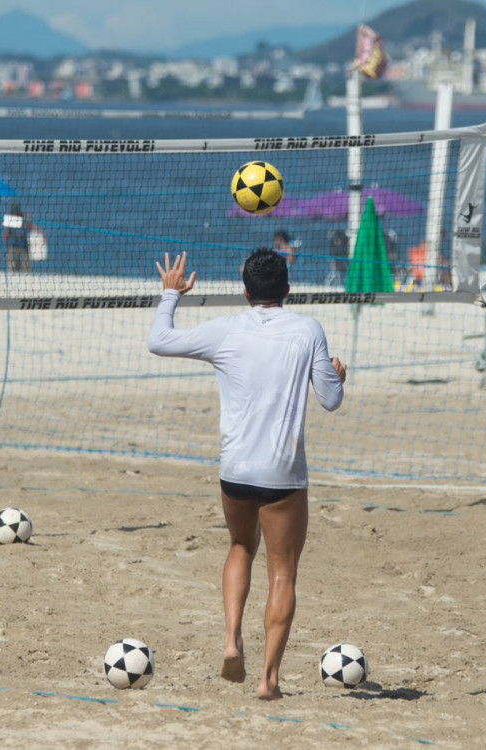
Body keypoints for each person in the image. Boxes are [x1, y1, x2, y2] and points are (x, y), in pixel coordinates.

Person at [148, 248, 346, 700]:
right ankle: (268, 681)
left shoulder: (225, 330)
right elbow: (331, 401)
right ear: (288, 290)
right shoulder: (308, 329)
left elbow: (159, 341)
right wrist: (338, 376)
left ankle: (231, 640)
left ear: (245, 290)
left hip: (234, 469)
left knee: (240, 546)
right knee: (283, 575)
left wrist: (170, 294)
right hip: (283, 475)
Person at [2, 203, 31, 273]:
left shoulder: (24, 218)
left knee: (23, 259)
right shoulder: (10, 219)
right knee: (13, 258)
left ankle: (25, 271)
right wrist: (6, 244)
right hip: (14, 243)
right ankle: (13, 270)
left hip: (22, 242)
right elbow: (6, 233)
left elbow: (31, 227)